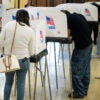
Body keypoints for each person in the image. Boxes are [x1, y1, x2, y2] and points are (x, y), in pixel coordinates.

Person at [0, 9, 35, 100]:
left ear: (16, 16)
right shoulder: (30, 30)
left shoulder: (8, 25)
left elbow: (0, 41)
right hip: (23, 59)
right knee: (21, 83)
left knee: (8, 82)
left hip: (9, 59)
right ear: (27, 18)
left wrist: (2, 53)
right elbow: (31, 51)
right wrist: (30, 54)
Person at [62, 10, 92, 98]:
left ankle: (79, 93)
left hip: (82, 47)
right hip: (88, 45)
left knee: (76, 69)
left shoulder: (69, 19)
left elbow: (67, 34)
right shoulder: (78, 16)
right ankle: (84, 90)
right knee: (86, 70)